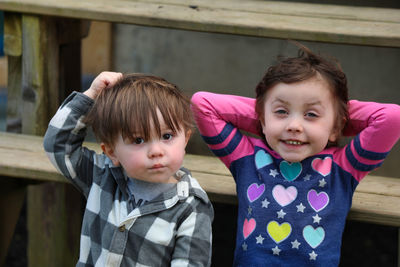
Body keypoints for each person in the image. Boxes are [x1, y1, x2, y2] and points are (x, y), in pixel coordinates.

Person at [191, 45, 400, 266]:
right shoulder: (247, 158)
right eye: (281, 112)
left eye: (311, 114)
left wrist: (337, 118)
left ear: (338, 126)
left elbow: (392, 118)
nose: (294, 125)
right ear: (261, 118)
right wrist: (266, 119)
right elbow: (202, 104)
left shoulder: (343, 168)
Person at [44, 72, 214, 267]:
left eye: (167, 136)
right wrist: (90, 96)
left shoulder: (190, 207)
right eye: (138, 140)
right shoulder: (102, 175)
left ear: (185, 138)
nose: (156, 151)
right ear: (111, 151)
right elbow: (57, 146)